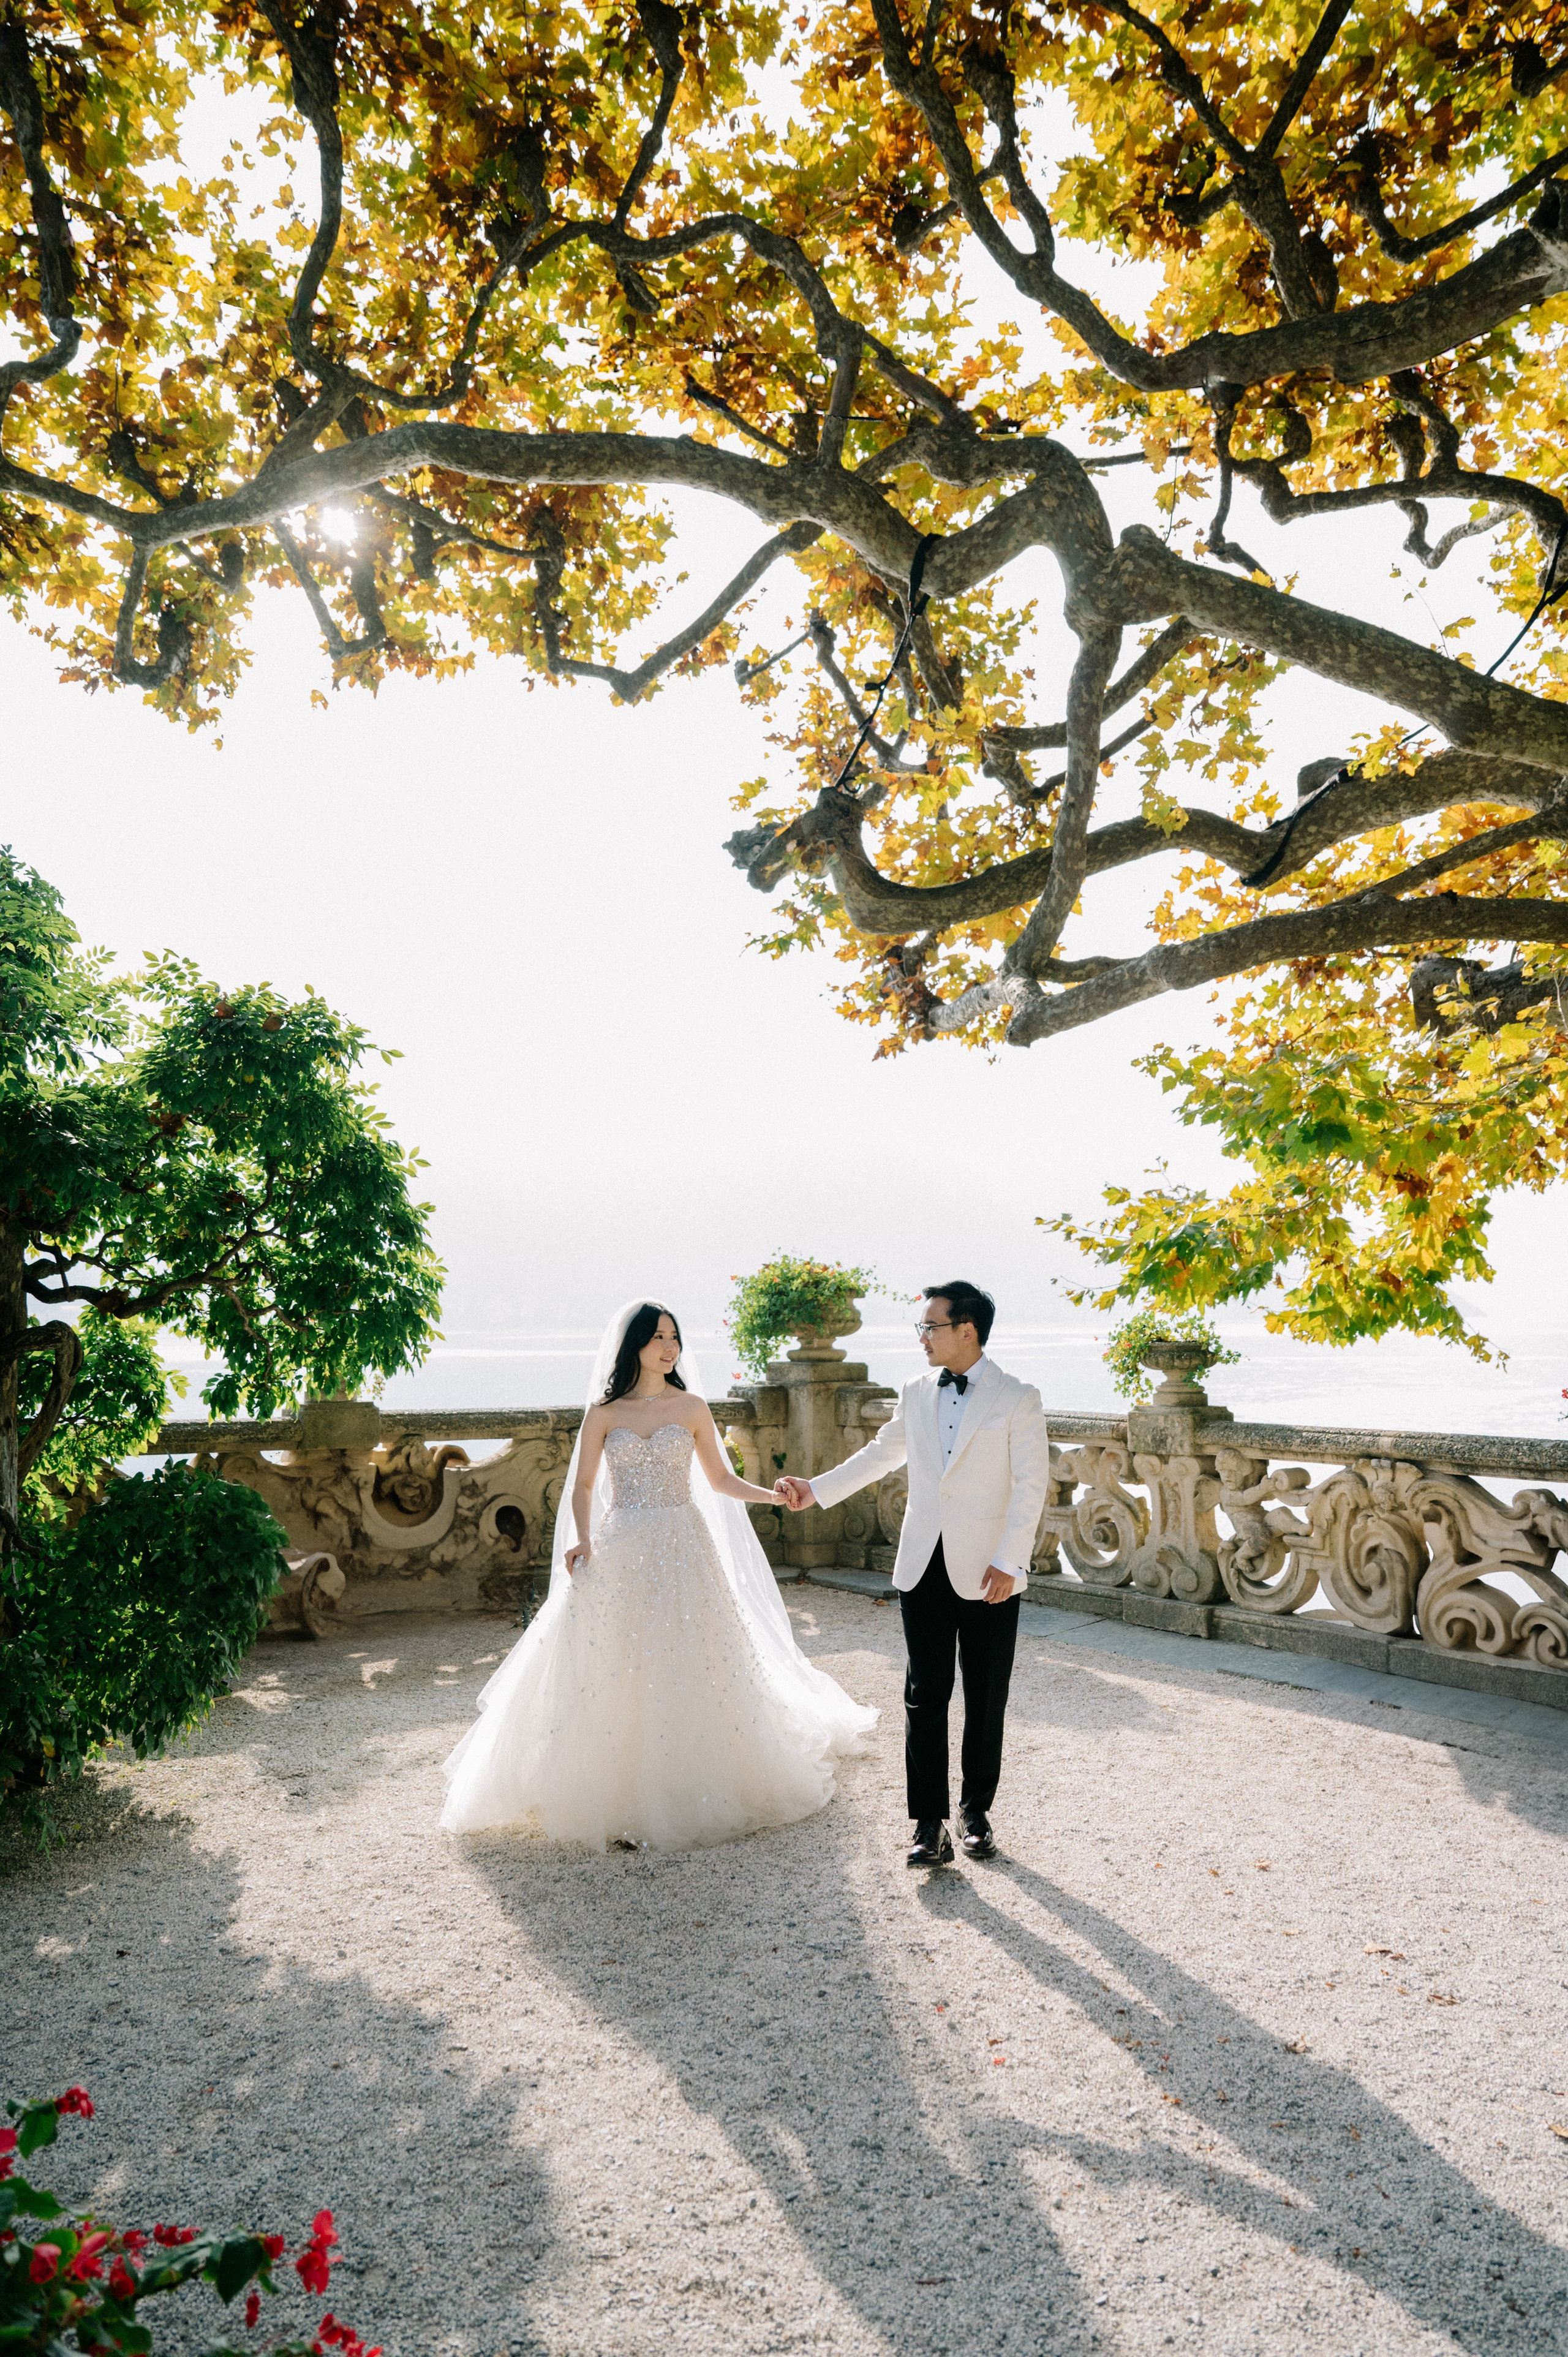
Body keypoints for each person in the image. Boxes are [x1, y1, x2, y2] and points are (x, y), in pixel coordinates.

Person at [440, 1299, 875, 1850]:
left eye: (675, 1337)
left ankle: (694, 1775)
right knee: (614, 1654)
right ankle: (614, 1785)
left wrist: (773, 1496)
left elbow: (719, 1480)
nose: (670, 1347)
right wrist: (581, 1535)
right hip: (623, 1540)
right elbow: (582, 1486)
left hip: (683, 1543)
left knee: (693, 1651)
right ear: (635, 1346)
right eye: (658, 1338)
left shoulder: (692, 1407)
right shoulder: (605, 1412)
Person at [777, 1281, 1049, 1868]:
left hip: (990, 1571)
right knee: (925, 1696)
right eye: (921, 1328)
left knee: (986, 1695)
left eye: (930, 1326)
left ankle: (976, 1815)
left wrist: (1010, 1559)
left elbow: (1031, 1488)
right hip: (922, 1561)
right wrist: (814, 1490)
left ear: (966, 1331)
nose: (922, 1337)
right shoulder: (915, 1391)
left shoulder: (1017, 1398)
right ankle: (929, 1826)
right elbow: (879, 1455)